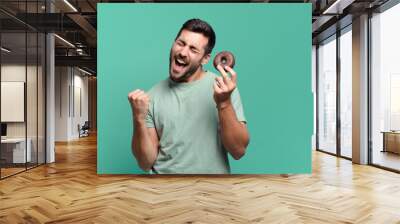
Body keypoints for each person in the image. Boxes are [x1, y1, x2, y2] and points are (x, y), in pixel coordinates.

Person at [128, 18, 250, 174]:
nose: (183, 52)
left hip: (212, 191)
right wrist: (138, 118)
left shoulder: (223, 89)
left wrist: (224, 103)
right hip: (165, 190)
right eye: (181, 43)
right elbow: (145, 163)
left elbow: (238, 151)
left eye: (193, 49)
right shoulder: (151, 96)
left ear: (205, 58)